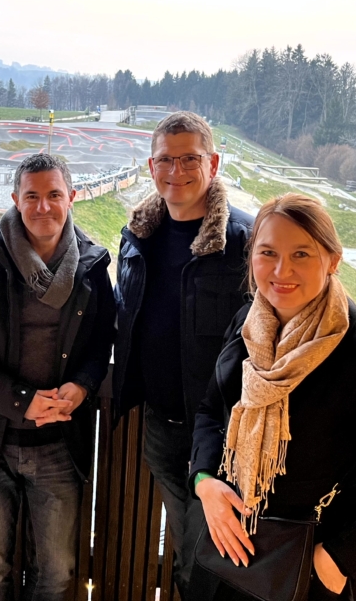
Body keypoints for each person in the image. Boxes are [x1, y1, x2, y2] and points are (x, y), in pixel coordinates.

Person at [189, 193, 356, 600]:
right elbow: (210, 410)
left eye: (302, 254)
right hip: (228, 553)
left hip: (307, 570)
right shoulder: (248, 325)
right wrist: (203, 481)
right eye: (267, 252)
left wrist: (339, 558)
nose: (280, 270)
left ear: (333, 260)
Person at [0, 153, 116, 601]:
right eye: (31, 196)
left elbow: (100, 343)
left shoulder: (91, 269)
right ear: (15, 200)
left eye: (54, 195)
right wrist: (20, 400)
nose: (43, 207)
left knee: (57, 573)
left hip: (58, 446)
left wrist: (84, 384)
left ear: (72, 198)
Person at [112, 111, 253, 596]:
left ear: (212, 163)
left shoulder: (246, 242)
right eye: (166, 160)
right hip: (159, 428)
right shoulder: (137, 237)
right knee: (188, 547)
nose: (177, 171)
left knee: (203, 560)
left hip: (218, 438)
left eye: (190, 159)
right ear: (151, 167)